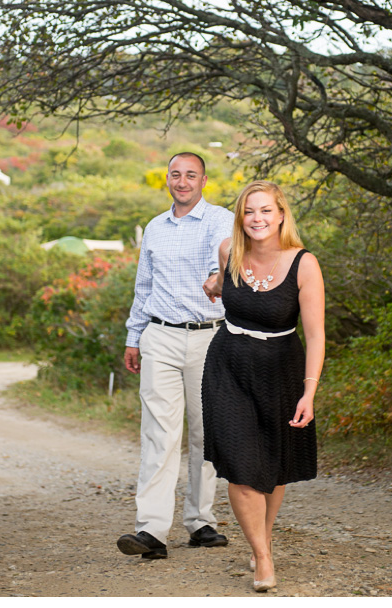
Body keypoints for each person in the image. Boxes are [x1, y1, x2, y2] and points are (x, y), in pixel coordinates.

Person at [201, 180, 325, 592]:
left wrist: (308, 392)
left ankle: (262, 540)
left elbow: (316, 335)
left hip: (280, 369)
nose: (257, 219)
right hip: (228, 364)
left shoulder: (304, 263)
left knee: (273, 466)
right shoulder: (228, 252)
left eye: (266, 211)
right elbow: (223, 285)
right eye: (249, 212)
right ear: (241, 217)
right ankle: (264, 557)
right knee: (240, 466)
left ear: (281, 214)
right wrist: (215, 284)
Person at [117, 152, 235, 561]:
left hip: (209, 338)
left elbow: (221, 258)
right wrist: (134, 337)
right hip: (160, 336)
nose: (182, 181)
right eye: (175, 174)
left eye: (191, 175)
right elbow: (143, 285)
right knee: (159, 435)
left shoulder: (219, 219)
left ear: (204, 180)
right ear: (167, 179)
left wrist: (215, 277)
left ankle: (201, 521)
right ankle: (151, 530)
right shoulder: (154, 227)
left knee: (206, 432)